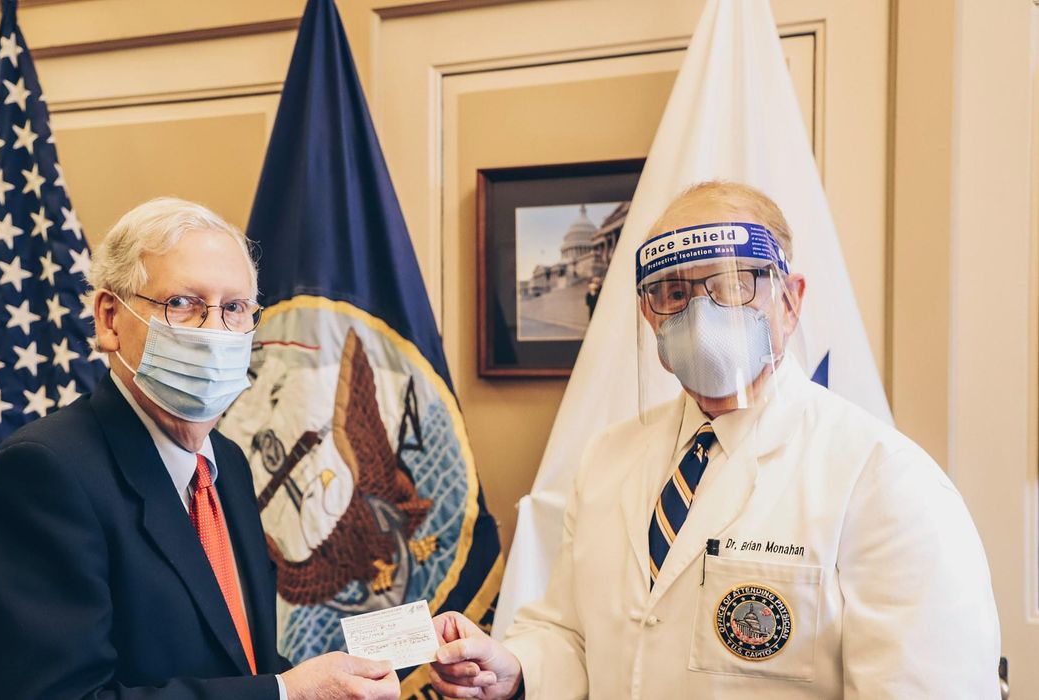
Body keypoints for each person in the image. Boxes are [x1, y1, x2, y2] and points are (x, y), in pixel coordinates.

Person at [428, 181, 1000, 698]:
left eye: (731, 285)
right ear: (649, 313)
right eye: (673, 291)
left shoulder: (885, 479)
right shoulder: (607, 457)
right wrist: (515, 670)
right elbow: (573, 635)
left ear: (790, 299)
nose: (700, 313)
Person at [0, 198, 399, 700]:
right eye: (183, 303)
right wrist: (285, 694)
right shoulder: (39, 475)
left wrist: (353, 678)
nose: (215, 331)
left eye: (234, 308)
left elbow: (241, 663)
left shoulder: (227, 464)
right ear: (109, 319)